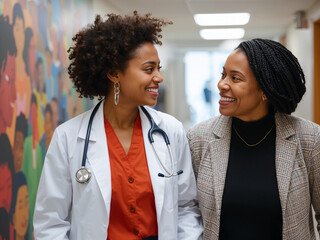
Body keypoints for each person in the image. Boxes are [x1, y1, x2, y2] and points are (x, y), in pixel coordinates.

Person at [33, 11, 203, 240]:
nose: (159, 78)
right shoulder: (68, 138)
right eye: (148, 69)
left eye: (158, 68)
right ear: (114, 73)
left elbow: (186, 207)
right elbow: (50, 223)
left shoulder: (170, 131)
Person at [187, 38, 320, 240]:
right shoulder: (199, 138)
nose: (221, 84)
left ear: (265, 90)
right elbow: (189, 212)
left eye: (235, 78)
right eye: (223, 75)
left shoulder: (309, 139)